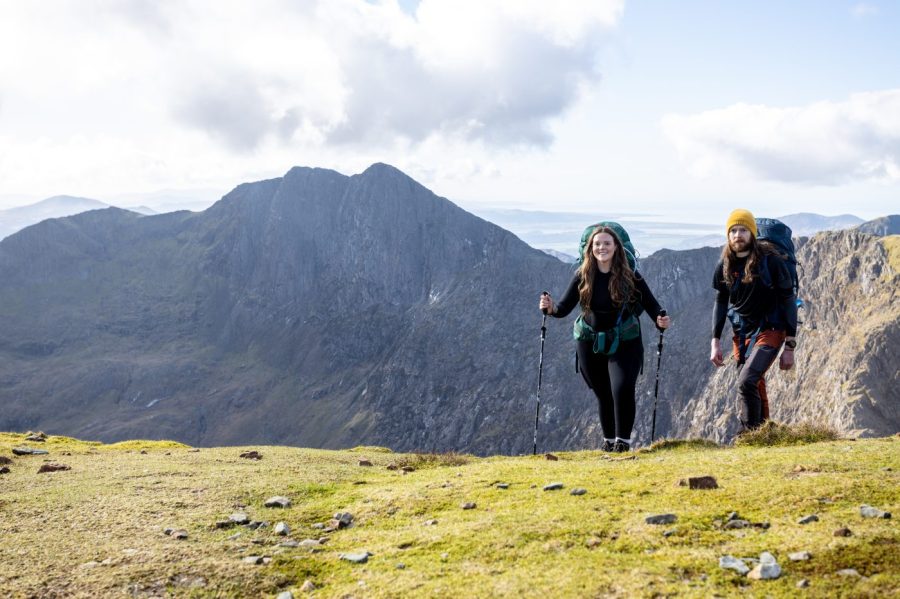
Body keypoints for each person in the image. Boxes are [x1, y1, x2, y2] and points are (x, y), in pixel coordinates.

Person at [539, 226, 670, 452]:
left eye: (607, 243)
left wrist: (660, 318)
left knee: (622, 388)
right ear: (590, 248)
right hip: (589, 342)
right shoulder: (582, 275)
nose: (602, 248)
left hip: (625, 342)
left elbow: (651, 303)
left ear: (616, 247)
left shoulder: (630, 276)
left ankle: (623, 443)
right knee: (603, 393)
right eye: (597, 244)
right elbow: (563, 308)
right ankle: (609, 442)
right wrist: (550, 309)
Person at [710, 209, 798, 431]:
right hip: (742, 334)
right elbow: (721, 302)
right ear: (728, 236)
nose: (738, 235)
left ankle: (748, 434)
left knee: (746, 381)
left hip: (772, 328)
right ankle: (762, 433)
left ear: (752, 233)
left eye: (743, 230)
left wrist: (790, 346)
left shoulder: (771, 261)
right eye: (733, 231)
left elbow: (788, 301)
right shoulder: (725, 265)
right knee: (753, 383)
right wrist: (715, 341)